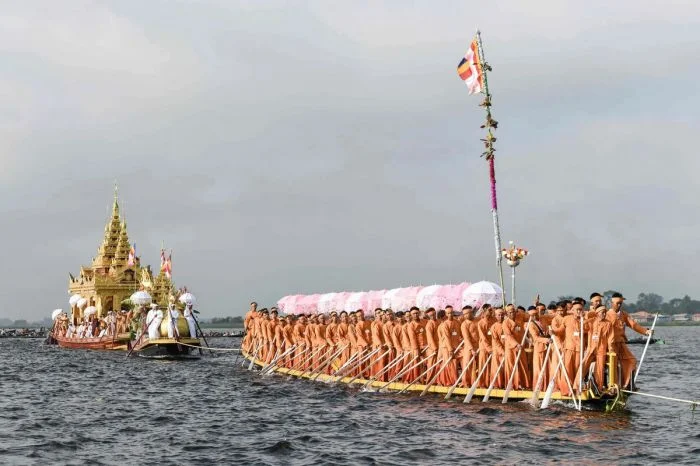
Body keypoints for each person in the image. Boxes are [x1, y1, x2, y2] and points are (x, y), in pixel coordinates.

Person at [606, 292, 651, 389]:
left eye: (620, 303)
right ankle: (613, 387)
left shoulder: (624, 314)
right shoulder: (607, 315)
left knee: (632, 361)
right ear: (611, 303)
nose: (619, 305)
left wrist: (646, 331)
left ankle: (627, 384)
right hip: (611, 344)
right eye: (617, 303)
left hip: (621, 343)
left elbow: (633, 325)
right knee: (613, 365)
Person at [582, 305, 615, 391]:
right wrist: (587, 316)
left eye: (605, 312)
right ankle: (577, 385)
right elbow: (582, 327)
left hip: (601, 348)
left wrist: (610, 348)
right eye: (602, 312)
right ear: (597, 313)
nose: (604, 314)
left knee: (600, 368)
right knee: (584, 365)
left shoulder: (608, 323)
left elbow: (610, 338)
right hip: (591, 348)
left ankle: (598, 387)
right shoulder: (591, 321)